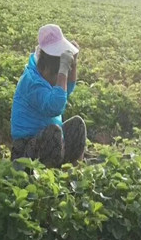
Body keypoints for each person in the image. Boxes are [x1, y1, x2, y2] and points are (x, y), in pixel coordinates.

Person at [10, 24, 86, 168]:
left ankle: (73, 174)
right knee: (54, 132)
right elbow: (55, 106)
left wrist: (73, 64)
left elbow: (66, 90)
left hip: (49, 144)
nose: (58, 78)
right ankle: (47, 180)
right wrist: (63, 70)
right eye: (56, 73)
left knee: (77, 124)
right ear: (44, 67)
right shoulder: (32, 82)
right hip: (25, 150)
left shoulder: (44, 75)